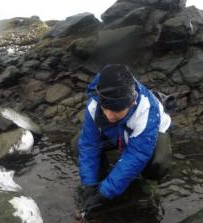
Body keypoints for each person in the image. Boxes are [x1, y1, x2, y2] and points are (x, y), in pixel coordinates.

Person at [72, 64, 172, 214]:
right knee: (77, 143)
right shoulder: (95, 103)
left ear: (132, 102)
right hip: (117, 134)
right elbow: (89, 144)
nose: (109, 116)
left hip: (151, 135)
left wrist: (105, 193)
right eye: (106, 108)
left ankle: (149, 182)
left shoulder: (146, 110)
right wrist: (89, 184)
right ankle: (100, 177)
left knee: (159, 160)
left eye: (117, 110)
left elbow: (136, 155)